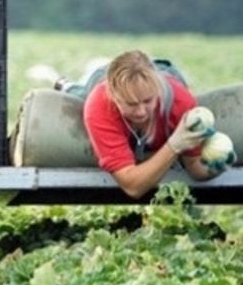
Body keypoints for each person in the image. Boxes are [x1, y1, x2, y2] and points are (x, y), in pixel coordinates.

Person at [77, 50, 226, 199]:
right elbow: (133, 188)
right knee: (81, 93)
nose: (141, 112)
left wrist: (216, 166)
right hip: (101, 77)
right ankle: (69, 86)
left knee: (165, 71)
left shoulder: (181, 102)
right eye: (131, 104)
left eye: (148, 101)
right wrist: (174, 145)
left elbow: (194, 165)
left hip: (165, 73)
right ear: (114, 97)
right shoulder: (99, 105)